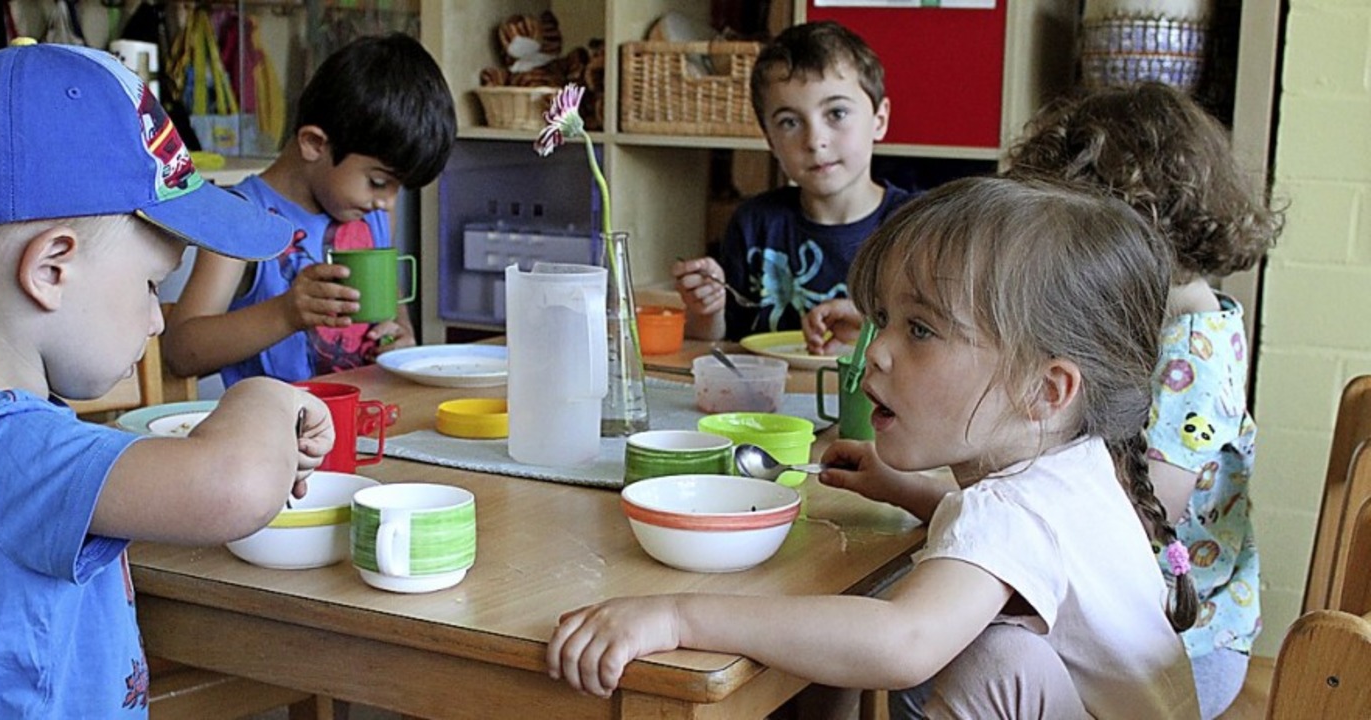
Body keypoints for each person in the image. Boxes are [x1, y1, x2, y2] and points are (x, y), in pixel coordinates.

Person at [548, 177, 1199, 718]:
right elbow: (1007, 544)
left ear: (1045, 390)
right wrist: (910, 492)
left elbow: (902, 642)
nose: (878, 350)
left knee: (992, 654)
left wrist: (678, 617)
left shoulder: (1013, 512)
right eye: (884, 319)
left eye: (920, 329)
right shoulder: (1074, 465)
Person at [0, 42, 335, 716]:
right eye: (151, 285)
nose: (155, 321)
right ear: (52, 268)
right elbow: (233, 487)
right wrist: (263, 395)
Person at [1002, 82, 1283, 719]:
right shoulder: (1156, 325)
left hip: (1183, 652)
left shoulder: (1196, 359)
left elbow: (1132, 518)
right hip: (1132, 627)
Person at [163, 33, 456, 386]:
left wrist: (400, 336)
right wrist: (286, 313)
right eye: (379, 182)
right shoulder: (242, 218)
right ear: (315, 144)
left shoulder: (374, 215)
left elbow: (392, 304)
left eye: (398, 188)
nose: (387, 202)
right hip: (278, 430)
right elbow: (179, 351)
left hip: (372, 420)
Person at [672, 21, 915, 343]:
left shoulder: (918, 226)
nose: (815, 140)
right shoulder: (754, 224)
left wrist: (869, 325)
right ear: (770, 141)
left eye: (837, 113)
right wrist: (707, 310)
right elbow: (717, 342)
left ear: (879, 121)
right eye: (789, 122)